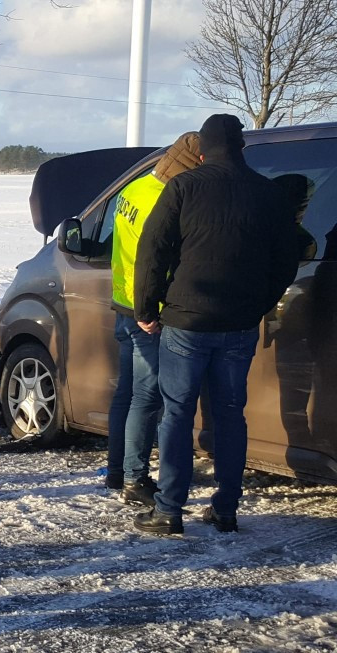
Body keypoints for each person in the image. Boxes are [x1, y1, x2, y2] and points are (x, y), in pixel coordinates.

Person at [132, 114, 298, 535]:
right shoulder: (268, 193)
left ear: (201, 151)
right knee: (229, 414)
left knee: (177, 414)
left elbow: (154, 251)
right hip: (239, 323)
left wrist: (146, 309)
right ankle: (225, 508)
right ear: (242, 148)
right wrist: (258, 304)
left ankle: (169, 509)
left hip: (187, 319)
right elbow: (287, 259)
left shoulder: (183, 187)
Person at [107, 132, 201, 505]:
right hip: (150, 310)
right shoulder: (168, 201)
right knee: (147, 398)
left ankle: (118, 470)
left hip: (122, 303)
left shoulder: (135, 187)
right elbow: (159, 260)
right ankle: (135, 478)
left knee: (127, 393)